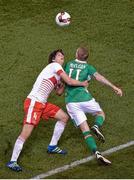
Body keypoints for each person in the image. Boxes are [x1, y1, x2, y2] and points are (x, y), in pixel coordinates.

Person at [6, 49, 88, 172]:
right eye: (59, 55)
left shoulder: (57, 74)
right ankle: (12, 161)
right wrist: (82, 83)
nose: (62, 57)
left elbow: (59, 92)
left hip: (42, 104)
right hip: (34, 103)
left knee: (64, 117)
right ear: (54, 59)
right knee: (26, 133)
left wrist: (63, 84)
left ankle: (52, 146)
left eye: (63, 56)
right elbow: (70, 81)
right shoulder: (54, 66)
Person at [56, 47, 123, 165]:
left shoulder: (68, 64)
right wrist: (114, 87)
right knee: (100, 113)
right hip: (85, 99)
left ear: (77, 54)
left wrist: (60, 90)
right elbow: (99, 78)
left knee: (85, 131)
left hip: (71, 102)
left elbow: (61, 85)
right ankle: (96, 125)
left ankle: (97, 152)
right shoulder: (88, 67)